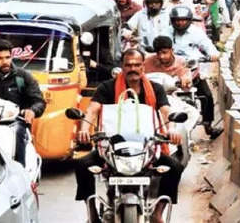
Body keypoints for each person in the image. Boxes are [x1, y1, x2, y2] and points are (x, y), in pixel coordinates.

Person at [74, 49, 184, 219]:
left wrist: (172, 129)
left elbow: (165, 111)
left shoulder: (155, 89)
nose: (133, 68)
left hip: (146, 146)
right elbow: (92, 110)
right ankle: (92, 211)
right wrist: (84, 129)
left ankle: (158, 213)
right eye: (128, 65)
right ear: (122, 67)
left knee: (175, 167)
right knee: (82, 165)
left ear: (143, 67)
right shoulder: (107, 87)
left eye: (137, 65)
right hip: (111, 147)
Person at [166, 7, 222, 138]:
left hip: (192, 70)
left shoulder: (196, 33)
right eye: (177, 21)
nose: (180, 23)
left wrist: (213, 54)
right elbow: (158, 45)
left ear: (189, 21)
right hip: (171, 71)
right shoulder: (166, 32)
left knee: (207, 96)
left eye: (183, 20)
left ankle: (208, 126)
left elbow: (207, 45)